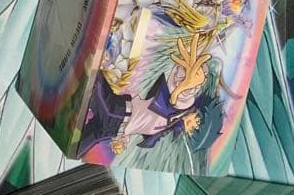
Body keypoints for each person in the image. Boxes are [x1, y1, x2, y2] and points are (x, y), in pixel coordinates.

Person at [79, 34, 223, 157]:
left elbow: (140, 123)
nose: (191, 126)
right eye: (197, 122)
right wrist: (192, 83)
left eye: (193, 131)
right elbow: (181, 94)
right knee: (90, 71)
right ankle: (86, 43)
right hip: (115, 113)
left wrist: (122, 140)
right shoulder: (184, 104)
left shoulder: (169, 126)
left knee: (77, 148)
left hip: (111, 130)